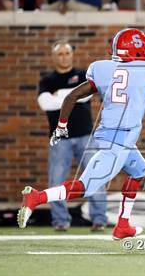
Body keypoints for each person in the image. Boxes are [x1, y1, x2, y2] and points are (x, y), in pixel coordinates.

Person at [19, 29, 145, 239]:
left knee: (138, 169)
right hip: (118, 139)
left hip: (112, 135)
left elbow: (72, 96)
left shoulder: (101, 69)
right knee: (85, 187)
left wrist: (61, 125)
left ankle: (123, 225)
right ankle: (37, 198)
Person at [37, 40, 107, 231]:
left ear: (72, 55)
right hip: (60, 139)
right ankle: (60, 221)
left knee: (95, 178)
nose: (64, 57)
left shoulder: (82, 75)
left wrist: (58, 96)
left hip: (86, 136)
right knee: (56, 181)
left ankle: (99, 219)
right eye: (60, 54)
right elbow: (45, 104)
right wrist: (71, 97)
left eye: (67, 53)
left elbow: (85, 96)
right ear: (54, 57)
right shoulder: (47, 80)